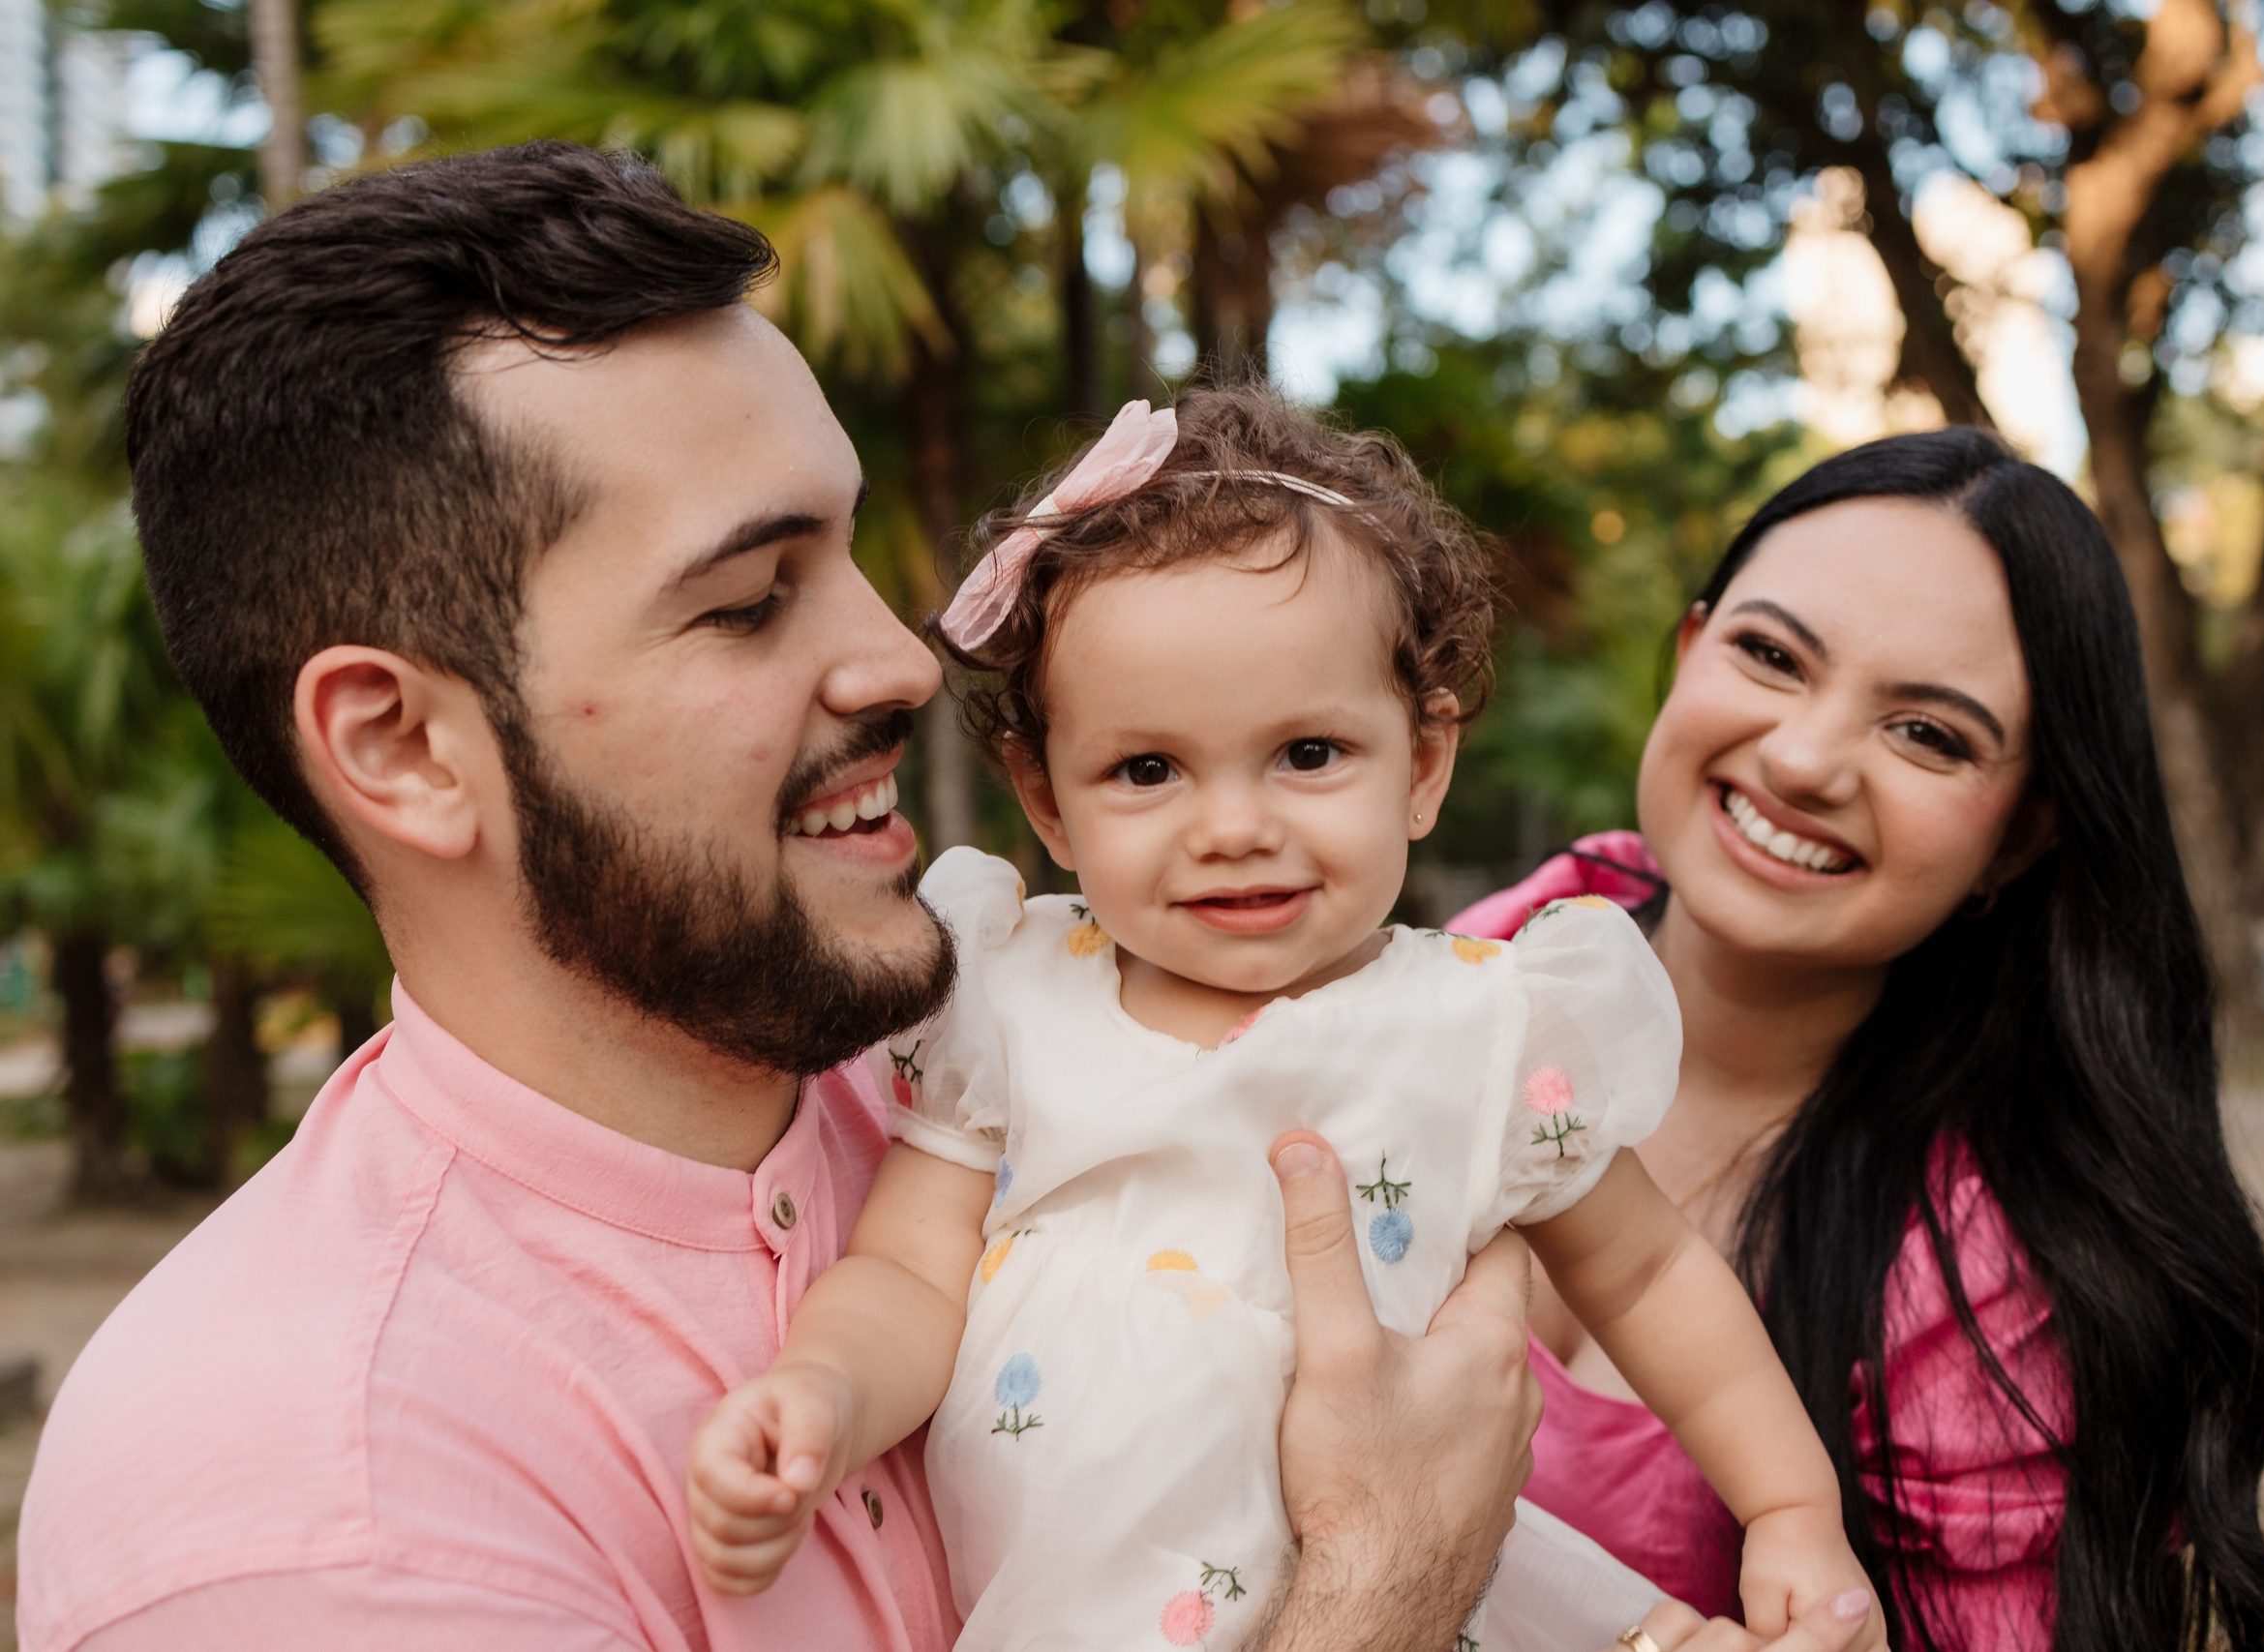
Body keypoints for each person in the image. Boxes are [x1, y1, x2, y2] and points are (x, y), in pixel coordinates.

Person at [14, 142, 1544, 1652]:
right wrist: (1375, 1592)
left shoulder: (1002, 1043)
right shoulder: (315, 1516)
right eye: (749, 601)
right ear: (405, 745)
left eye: (853, 551)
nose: (896, 656)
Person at [682, 390, 1885, 1651]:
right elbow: (907, 1273)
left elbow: (1650, 1270)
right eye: (1148, 770)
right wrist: (820, 1393)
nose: (1236, 825)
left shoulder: (1483, 1027)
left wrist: (1790, 1505)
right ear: (1046, 801)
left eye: (1308, 752)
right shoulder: (1012, 999)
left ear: (1422, 762)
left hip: (1428, 1590)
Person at [1451, 430, 2264, 1649]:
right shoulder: (1503, 945)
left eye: (1929, 734)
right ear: (1688, 649)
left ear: (2019, 839)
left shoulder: (1985, 1286)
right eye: (1768, 655)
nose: (1804, 760)